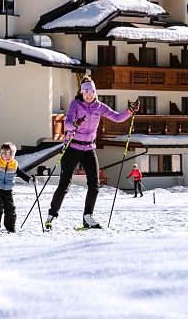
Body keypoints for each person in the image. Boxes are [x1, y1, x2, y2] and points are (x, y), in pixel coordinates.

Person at [46, 78, 138, 230]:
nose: (88, 95)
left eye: (91, 92)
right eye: (86, 92)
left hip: (88, 148)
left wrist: (130, 111)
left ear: (95, 92)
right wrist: (75, 124)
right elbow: (67, 123)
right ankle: (51, 215)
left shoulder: (99, 107)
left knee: (94, 185)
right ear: (81, 92)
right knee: (65, 183)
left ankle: (87, 217)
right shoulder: (75, 104)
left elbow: (117, 117)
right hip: (72, 147)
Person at [0, 142, 32, 232]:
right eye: (5, 154)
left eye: (10, 154)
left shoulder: (14, 165)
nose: (7, 156)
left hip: (8, 190)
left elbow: (21, 174)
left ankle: (10, 227)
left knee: (10, 208)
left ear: (14, 155)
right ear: (1, 155)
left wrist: (29, 179)